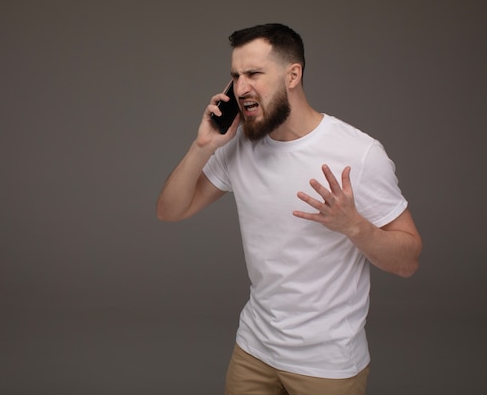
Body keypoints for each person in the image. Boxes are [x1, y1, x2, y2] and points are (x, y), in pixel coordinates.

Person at [156, 23, 422, 395]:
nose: (240, 87)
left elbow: (408, 260)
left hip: (327, 364)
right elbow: (170, 210)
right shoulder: (238, 146)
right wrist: (203, 146)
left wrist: (355, 227)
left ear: (292, 74)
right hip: (253, 350)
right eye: (235, 75)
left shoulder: (359, 153)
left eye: (253, 74)